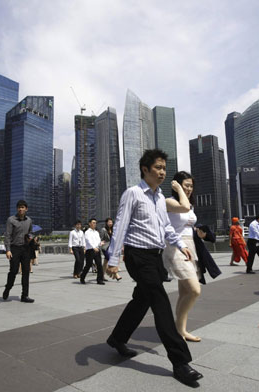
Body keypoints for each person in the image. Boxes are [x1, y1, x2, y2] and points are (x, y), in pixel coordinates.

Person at [105, 149, 202, 386]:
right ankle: (180, 362)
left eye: (163, 169)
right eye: (157, 168)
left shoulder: (159, 198)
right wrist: (113, 259)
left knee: (142, 300)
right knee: (160, 303)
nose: (162, 172)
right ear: (145, 169)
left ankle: (117, 338)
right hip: (138, 256)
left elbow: (166, 227)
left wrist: (180, 244)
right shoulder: (133, 194)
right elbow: (120, 226)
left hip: (156, 256)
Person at [163, 171, 202, 342]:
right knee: (194, 290)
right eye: (186, 185)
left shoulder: (190, 205)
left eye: (191, 186)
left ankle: (180, 330)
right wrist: (179, 189)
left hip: (190, 246)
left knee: (184, 291)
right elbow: (184, 208)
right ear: (176, 185)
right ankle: (178, 328)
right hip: (175, 246)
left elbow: (187, 219)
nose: (189, 189)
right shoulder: (169, 201)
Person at [3, 200, 34, 303]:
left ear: (26, 209)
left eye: (23, 207)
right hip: (14, 248)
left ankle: (25, 295)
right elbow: (7, 235)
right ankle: (8, 288)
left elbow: (31, 232)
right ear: (17, 209)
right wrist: (8, 250)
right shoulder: (11, 220)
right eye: (19, 207)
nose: (21, 209)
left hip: (26, 248)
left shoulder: (29, 220)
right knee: (14, 271)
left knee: (26, 272)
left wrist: (30, 237)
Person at [80, 218, 105, 285]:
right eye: (93, 223)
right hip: (90, 250)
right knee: (88, 265)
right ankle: (82, 277)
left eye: (95, 223)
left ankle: (99, 280)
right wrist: (93, 247)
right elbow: (88, 240)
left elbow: (98, 240)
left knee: (99, 265)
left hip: (97, 250)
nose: (95, 224)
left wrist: (100, 243)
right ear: (89, 223)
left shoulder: (96, 232)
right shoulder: (87, 232)